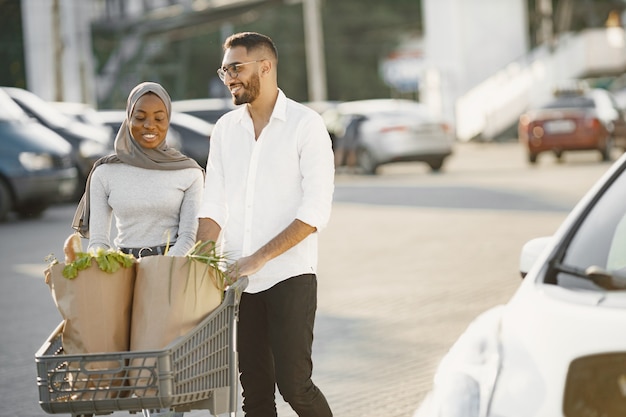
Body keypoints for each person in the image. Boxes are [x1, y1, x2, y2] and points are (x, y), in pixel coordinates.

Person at [196, 32, 335, 417]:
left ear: (265, 66)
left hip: (290, 274)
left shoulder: (306, 125)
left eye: (236, 68)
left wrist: (257, 258)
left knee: (295, 386)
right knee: (254, 395)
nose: (229, 78)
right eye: (224, 69)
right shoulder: (225, 129)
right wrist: (198, 261)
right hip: (239, 280)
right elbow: (213, 203)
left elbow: (315, 211)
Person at [72, 81, 204, 259]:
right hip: (123, 268)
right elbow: (98, 242)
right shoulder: (105, 172)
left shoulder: (189, 172)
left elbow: (188, 238)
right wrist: (106, 264)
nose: (150, 125)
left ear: (168, 120)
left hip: (172, 267)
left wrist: (160, 269)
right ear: (128, 119)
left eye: (159, 118)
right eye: (140, 118)